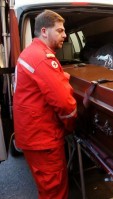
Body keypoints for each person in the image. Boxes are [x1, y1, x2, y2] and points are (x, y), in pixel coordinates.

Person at [13, 10, 77, 199]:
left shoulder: (31, 52)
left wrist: (61, 77)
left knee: (46, 187)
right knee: (54, 191)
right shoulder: (43, 58)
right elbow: (66, 106)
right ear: (43, 31)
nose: (65, 35)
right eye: (59, 30)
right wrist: (71, 127)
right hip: (43, 138)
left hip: (31, 133)